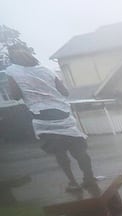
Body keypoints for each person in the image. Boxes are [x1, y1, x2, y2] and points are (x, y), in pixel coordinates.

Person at [5, 44, 96, 192]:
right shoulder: (46, 70)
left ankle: (73, 183)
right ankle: (89, 178)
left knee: (59, 152)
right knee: (79, 150)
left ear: (12, 57)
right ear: (29, 54)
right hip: (63, 114)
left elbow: (15, 96)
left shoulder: (12, 71)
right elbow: (65, 92)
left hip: (42, 117)